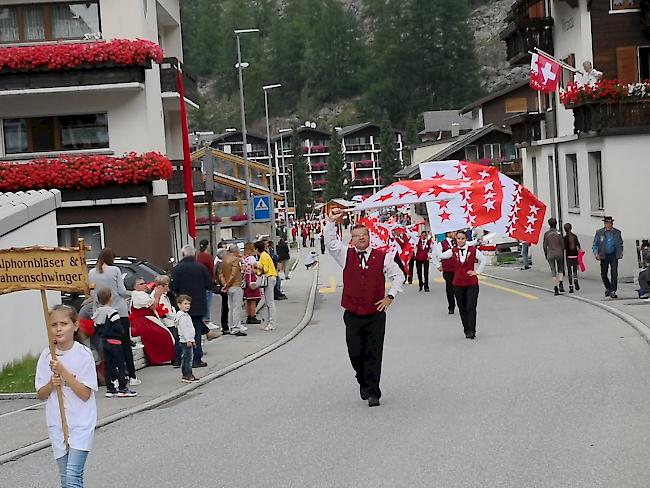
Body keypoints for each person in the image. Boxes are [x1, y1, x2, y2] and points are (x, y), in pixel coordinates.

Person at [325, 209, 404, 407]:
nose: (361, 239)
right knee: (355, 354)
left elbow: (398, 275)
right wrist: (331, 223)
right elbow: (331, 243)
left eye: (364, 235)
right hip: (352, 314)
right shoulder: (346, 254)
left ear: (370, 237)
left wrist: (390, 296)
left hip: (375, 314)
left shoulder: (382, 257)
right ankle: (362, 380)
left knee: (374, 354)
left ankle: (373, 393)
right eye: (357, 236)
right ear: (351, 240)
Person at [36, 304, 98, 488]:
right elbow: (41, 394)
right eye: (54, 325)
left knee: (72, 477)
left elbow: (85, 394)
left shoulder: (83, 354)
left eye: (64, 323)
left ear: (75, 326)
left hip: (80, 422)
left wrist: (63, 372)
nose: (59, 328)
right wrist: (51, 384)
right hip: (58, 423)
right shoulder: (47, 355)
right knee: (65, 479)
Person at [88, 248, 139, 386]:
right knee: (125, 344)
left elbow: (92, 294)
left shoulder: (91, 272)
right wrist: (132, 293)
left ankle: (113, 378)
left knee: (107, 347)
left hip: (100, 313)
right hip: (119, 311)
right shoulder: (115, 270)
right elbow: (121, 291)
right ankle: (131, 376)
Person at [435, 230, 487, 339]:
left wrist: (477, 272)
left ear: (466, 239)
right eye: (458, 238)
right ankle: (467, 330)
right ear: (456, 240)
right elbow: (440, 255)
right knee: (462, 308)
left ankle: (472, 330)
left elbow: (483, 259)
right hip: (458, 284)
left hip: (471, 283)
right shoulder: (452, 251)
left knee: (471, 307)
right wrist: (436, 244)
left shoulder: (473, 250)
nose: (460, 240)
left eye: (462, 238)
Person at [171, 244, 212, 367]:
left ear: (183, 254)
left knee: (181, 332)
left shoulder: (177, 269)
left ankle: (178, 359)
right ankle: (196, 359)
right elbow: (209, 285)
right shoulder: (201, 268)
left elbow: (173, 287)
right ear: (194, 254)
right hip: (199, 305)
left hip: (183, 305)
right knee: (196, 332)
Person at [92, 288, 137, 398]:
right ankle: (123, 388)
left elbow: (96, 328)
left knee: (108, 365)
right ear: (110, 298)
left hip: (103, 342)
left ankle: (110, 389)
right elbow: (119, 327)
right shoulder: (112, 312)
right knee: (120, 365)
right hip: (115, 341)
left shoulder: (97, 313)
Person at [129, 278, 176, 365]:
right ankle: (162, 358)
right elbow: (153, 306)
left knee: (164, 333)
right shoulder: (138, 295)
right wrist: (157, 296)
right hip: (142, 321)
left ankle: (169, 356)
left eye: (144, 283)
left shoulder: (142, 294)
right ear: (135, 287)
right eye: (141, 284)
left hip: (147, 319)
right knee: (161, 334)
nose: (144, 285)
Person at [154, 275, 182, 367]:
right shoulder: (159, 296)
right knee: (176, 339)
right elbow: (164, 312)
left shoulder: (164, 295)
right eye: (167, 284)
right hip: (167, 322)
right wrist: (177, 318)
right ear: (162, 285)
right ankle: (176, 359)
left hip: (170, 320)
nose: (169, 286)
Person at [592, 216, 624, 299]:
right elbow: (595, 244)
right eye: (606, 223)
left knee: (614, 273)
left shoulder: (617, 233)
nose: (608, 225)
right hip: (604, 255)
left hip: (613, 255)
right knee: (604, 274)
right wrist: (596, 254)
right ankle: (608, 288)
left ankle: (613, 291)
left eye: (609, 223)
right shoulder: (600, 232)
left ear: (612, 224)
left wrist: (620, 252)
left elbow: (620, 243)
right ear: (604, 224)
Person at [220, 244, 247, 336]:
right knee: (237, 307)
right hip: (236, 285)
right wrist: (228, 284)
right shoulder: (235, 260)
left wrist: (225, 285)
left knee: (230, 307)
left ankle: (231, 326)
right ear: (235, 251)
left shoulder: (224, 259)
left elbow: (221, 274)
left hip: (228, 287)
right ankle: (236, 327)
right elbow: (234, 273)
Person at [175, 295, 199, 383]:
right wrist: (189, 339)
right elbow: (185, 329)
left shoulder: (185, 315)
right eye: (185, 304)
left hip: (189, 340)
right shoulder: (182, 316)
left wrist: (192, 340)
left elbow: (190, 329)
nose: (188, 306)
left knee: (188, 358)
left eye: (189, 304)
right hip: (185, 341)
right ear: (179, 305)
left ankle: (188, 374)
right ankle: (187, 374)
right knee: (187, 358)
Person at [255, 240, 278, 331]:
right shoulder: (265, 255)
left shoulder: (263, 256)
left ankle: (272, 323)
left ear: (257, 249)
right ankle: (270, 322)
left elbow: (265, 268)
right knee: (269, 302)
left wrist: (257, 268)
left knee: (270, 302)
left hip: (269, 278)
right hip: (270, 277)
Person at [196, 239, 216, 329]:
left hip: (200, 282)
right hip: (207, 281)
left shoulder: (198, 256)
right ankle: (207, 320)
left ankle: (205, 319)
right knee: (208, 302)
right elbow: (212, 269)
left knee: (204, 301)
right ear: (207, 246)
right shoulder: (207, 257)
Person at [543, 217, 565, 296]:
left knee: (553, 270)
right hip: (559, 253)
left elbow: (545, 246)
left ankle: (555, 287)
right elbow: (562, 245)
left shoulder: (547, 234)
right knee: (560, 269)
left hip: (550, 254)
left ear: (549, 224)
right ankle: (561, 283)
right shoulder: (559, 233)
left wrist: (546, 254)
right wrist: (562, 251)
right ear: (556, 224)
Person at [242, 242, 262, 325]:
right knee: (253, 299)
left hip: (246, 278)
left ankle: (248, 316)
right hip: (252, 278)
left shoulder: (244, 258)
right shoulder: (252, 258)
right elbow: (255, 269)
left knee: (248, 300)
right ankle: (253, 316)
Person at [438, 231, 458, 314]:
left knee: (459, 288)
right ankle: (451, 306)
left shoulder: (458, 241)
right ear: (448, 233)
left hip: (458, 269)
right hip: (448, 270)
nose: (455, 234)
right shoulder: (441, 244)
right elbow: (437, 254)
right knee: (450, 289)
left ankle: (462, 305)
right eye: (453, 232)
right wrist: (438, 265)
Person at [214, 246, 229, 334]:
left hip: (222, 287)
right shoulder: (220, 264)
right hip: (223, 288)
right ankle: (225, 325)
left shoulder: (218, 264)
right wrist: (225, 286)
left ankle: (225, 325)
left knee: (225, 306)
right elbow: (220, 276)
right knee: (225, 306)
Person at [563, 223, 582, 293]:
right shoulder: (575, 236)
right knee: (574, 270)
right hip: (575, 255)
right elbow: (578, 246)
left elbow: (564, 247)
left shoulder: (565, 238)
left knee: (569, 271)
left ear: (565, 230)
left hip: (568, 256)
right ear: (571, 228)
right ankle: (575, 279)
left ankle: (571, 287)